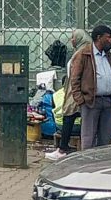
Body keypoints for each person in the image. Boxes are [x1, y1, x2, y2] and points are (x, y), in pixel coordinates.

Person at [45, 29, 90, 160]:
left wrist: (76, 92)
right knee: (72, 117)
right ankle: (66, 148)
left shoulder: (83, 52)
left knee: (70, 117)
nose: (71, 40)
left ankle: (63, 149)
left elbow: (77, 76)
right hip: (75, 90)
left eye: (73, 38)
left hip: (76, 91)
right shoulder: (82, 51)